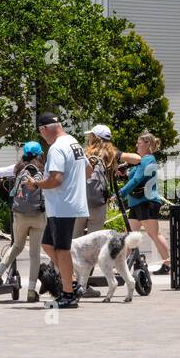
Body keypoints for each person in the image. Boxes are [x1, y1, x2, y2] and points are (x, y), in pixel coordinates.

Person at [24, 112, 88, 308]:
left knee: (62, 249)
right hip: (66, 204)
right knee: (48, 245)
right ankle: (73, 281)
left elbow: (55, 179)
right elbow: (89, 170)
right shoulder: (74, 142)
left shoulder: (56, 148)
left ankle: (68, 294)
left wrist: (35, 184)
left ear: (44, 130)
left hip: (62, 205)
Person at [0, 142, 47, 303]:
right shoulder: (44, 170)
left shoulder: (17, 168)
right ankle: (31, 291)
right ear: (40, 154)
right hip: (38, 215)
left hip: (20, 215)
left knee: (16, 246)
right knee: (35, 254)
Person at [73, 126, 119, 296]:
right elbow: (135, 159)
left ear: (94, 137)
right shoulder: (111, 155)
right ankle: (83, 287)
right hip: (99, 204)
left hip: (80, 204)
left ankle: (71, 283)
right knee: (92, 246)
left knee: (75, 244)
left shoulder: (85, 153)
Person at [119, 131, 171, 274]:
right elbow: (132, 178)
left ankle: (168, 264)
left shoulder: (148, 160)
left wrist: (120, 193)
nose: (136, 145)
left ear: (147, 145)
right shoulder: (141, 161)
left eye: (139, 143)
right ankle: (123, 266)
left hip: (146, 201)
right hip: (138, 202)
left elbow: (137, 180)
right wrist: (124, 175)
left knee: (153, 234)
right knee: (129, 234)